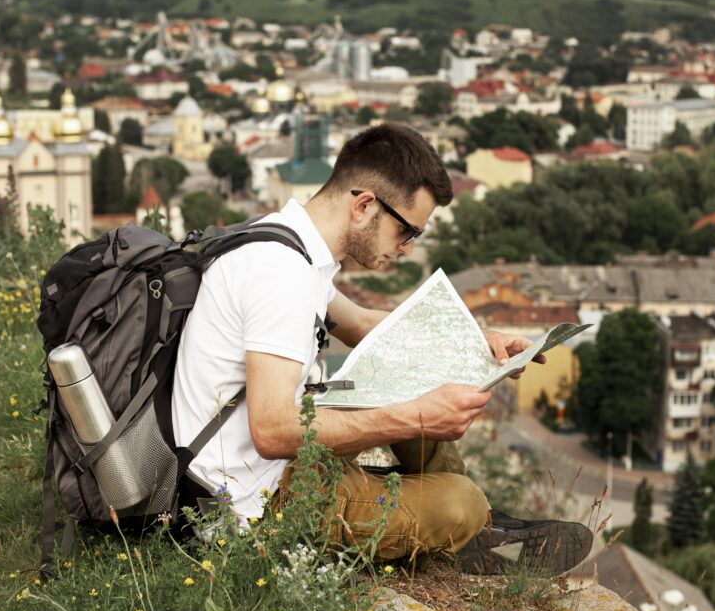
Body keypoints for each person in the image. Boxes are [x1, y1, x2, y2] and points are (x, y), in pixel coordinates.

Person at [171, 123, 591, 573]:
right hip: (250, 503)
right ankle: (467, 525)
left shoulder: (286, 242)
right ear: (364, 205)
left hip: (260, 465)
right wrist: (418, 415)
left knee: (407, 374)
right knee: (461, 504)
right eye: (407, 231)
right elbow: (272, 431)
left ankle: (464, 525)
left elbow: (363, 325)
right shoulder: (281, 275)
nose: (408, 249)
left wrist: (476, 341)